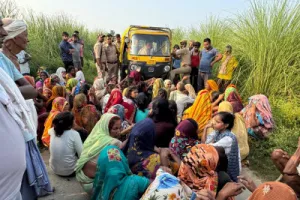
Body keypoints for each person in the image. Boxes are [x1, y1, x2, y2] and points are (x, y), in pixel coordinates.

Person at [75, 113, 125, 194]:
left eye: (120, 128)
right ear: (106, 128)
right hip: (94, 186)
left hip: (82, 181)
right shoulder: (115, 143)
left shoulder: (95, 135)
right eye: (115, 129)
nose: (118, 131)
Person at [1, 18, 37, 100]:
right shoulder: (3, 59)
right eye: (25, 35)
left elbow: (32, 91)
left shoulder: (8, 60)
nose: (27, 40)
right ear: (15, 37)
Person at [202, 112, 240, 182]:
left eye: (217, 122)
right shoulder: (218, 132)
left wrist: (207, 145)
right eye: (214, 120)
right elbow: (204, 143)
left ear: (226, 125)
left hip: (227, 167)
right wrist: (205, 128)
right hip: (220, 161)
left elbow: (207, 147)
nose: (214, 123)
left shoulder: (228, 138)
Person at [49, 112, 83, 176]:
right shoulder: (74, 134)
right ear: (70, 124)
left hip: (54, 169)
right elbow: (81, 154)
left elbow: (51, 130)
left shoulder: (52, 131)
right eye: (74, 120)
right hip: (70, 171)